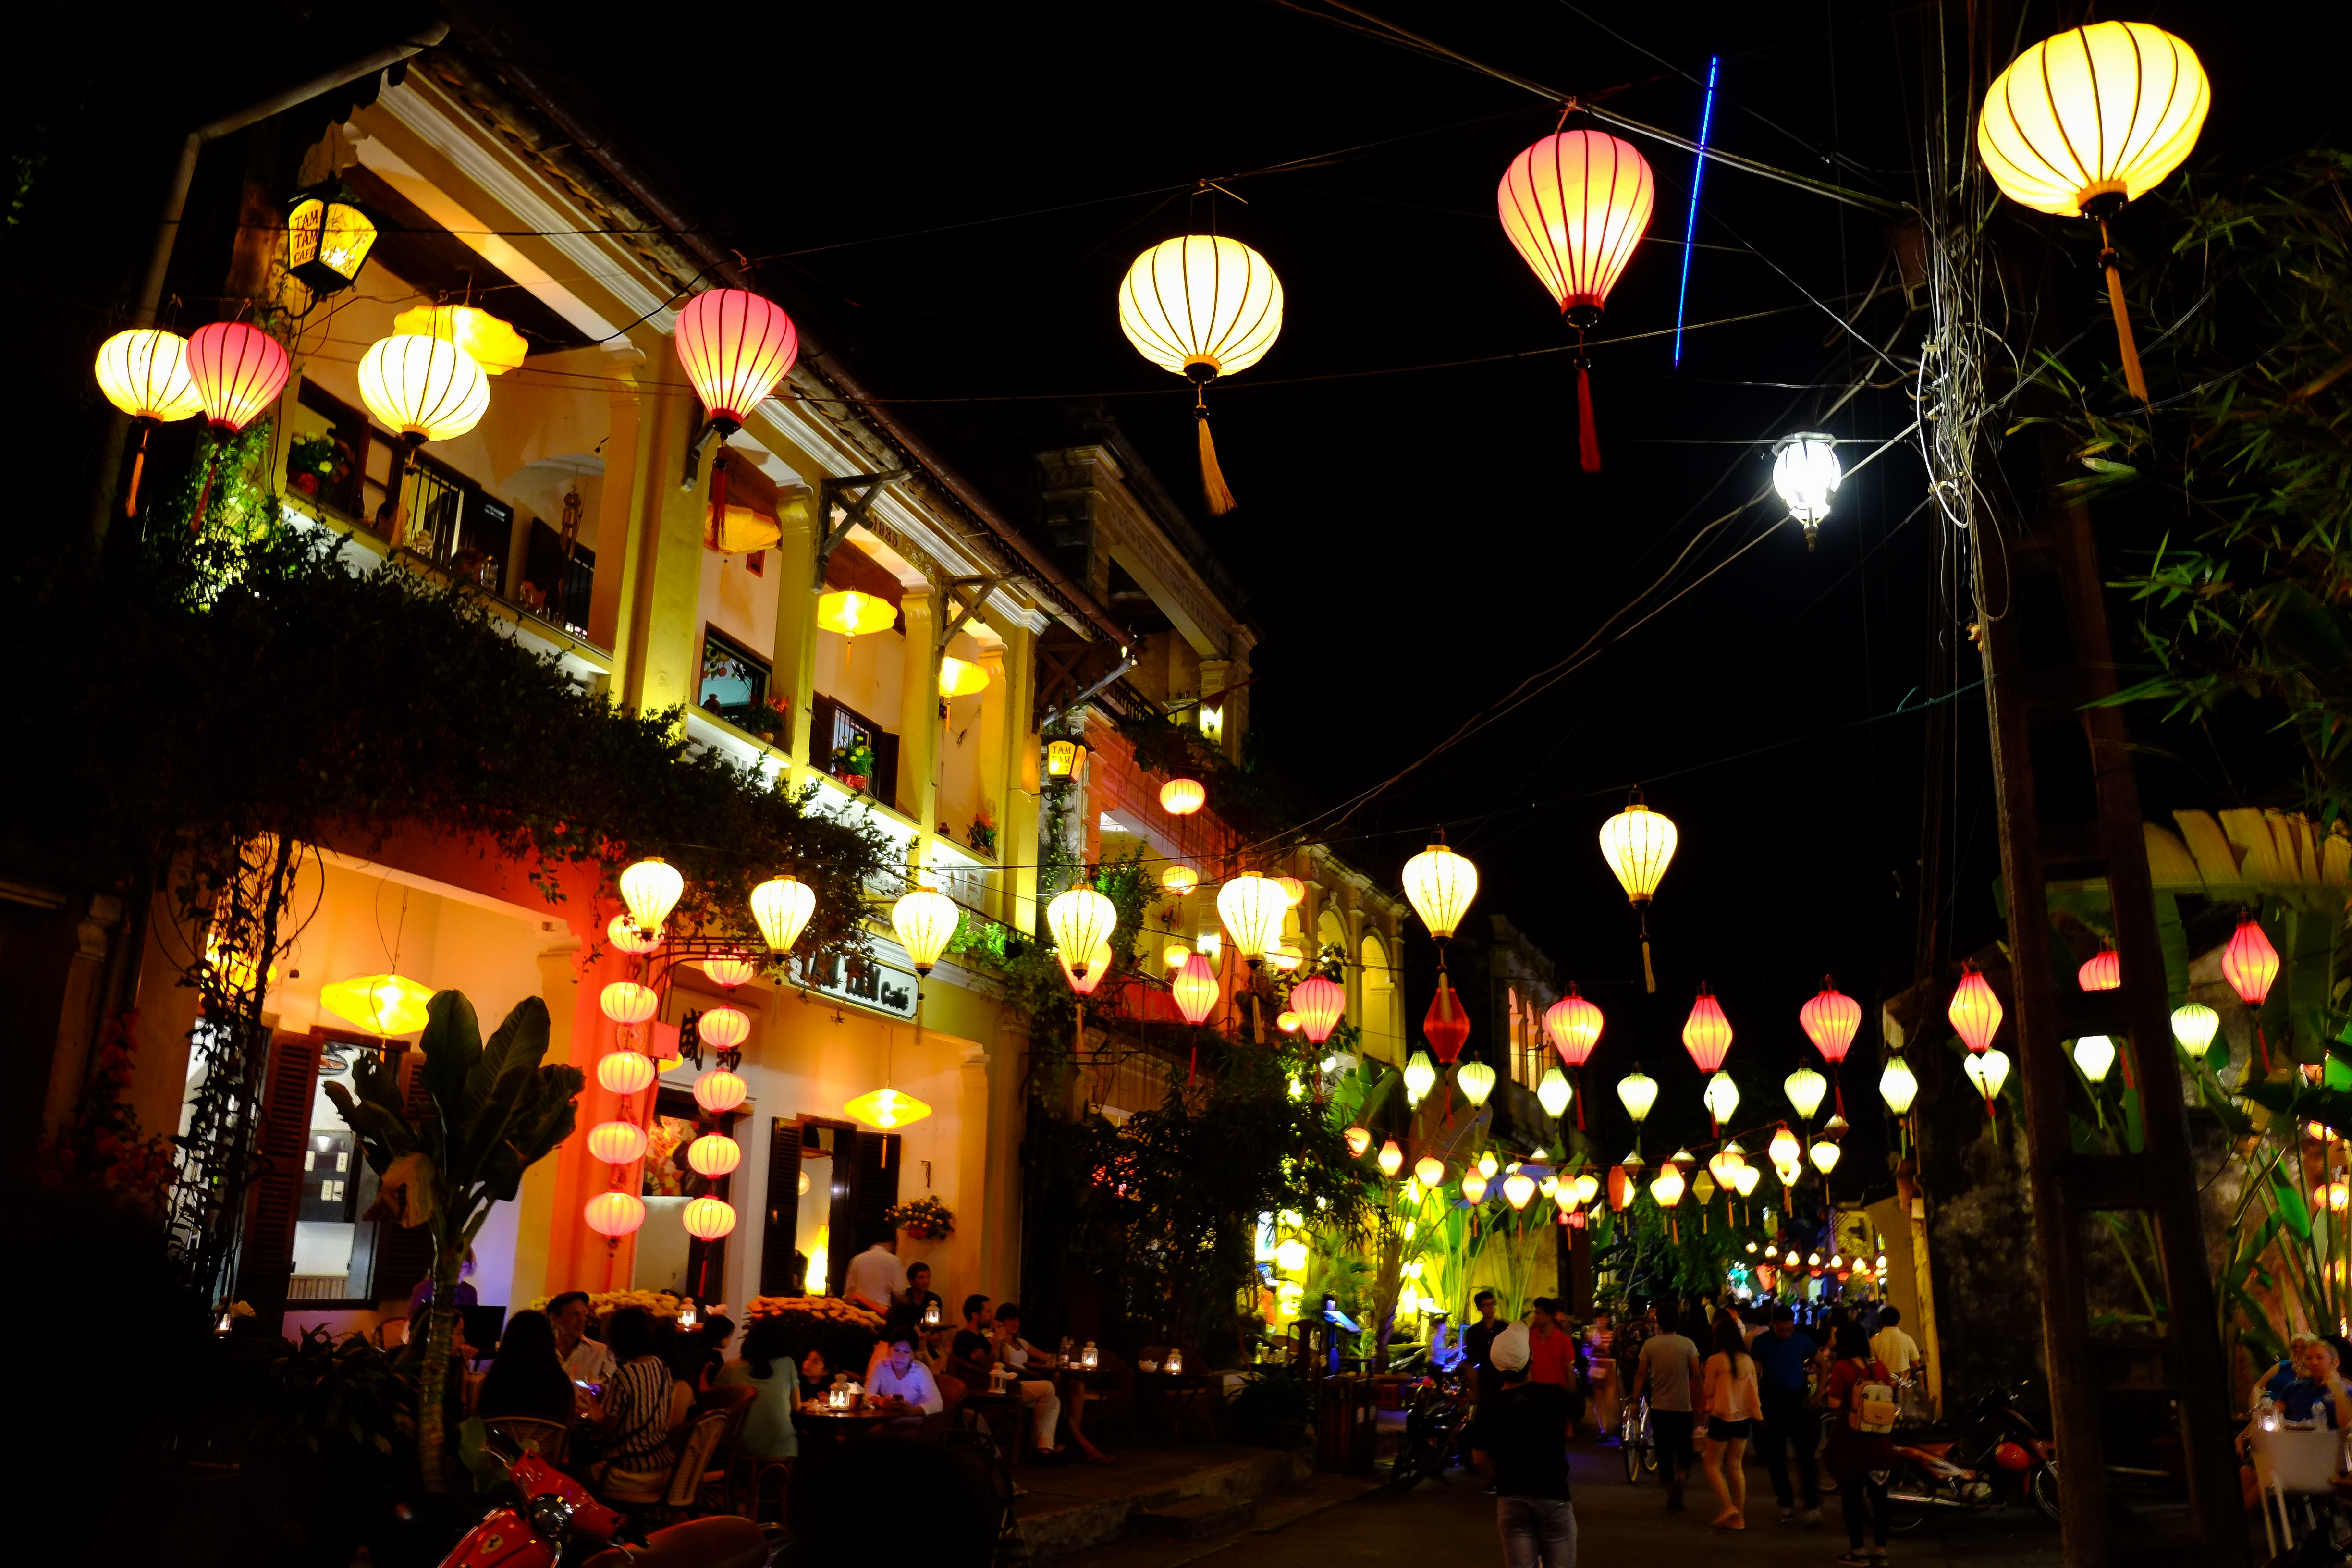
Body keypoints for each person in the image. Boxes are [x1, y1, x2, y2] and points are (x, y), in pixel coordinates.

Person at [1470, 1323, 1576, 1568]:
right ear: (1531, 1360)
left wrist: (1502, 1477)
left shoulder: (1489, 1406)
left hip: (1512, 1497)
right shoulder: (1555, 1397)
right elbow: (1571, 1418)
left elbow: (1479, 1459)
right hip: (1554, 1495)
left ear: (1497, 1367)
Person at [1823, 1320, 1896, 1565]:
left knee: (1852, 1496)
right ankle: (1881, 1551)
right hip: (1879, 1441)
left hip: (1852, 1441)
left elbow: (1834, 1403)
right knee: (1880, 1497)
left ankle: (1858, 1551)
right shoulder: (1880, 1367)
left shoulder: (1843, 1368)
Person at [1750, 1305, 1822, 1525]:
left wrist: (1819, 1393)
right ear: (1773, 1325)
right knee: (1776, 1458)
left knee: (1806, 1455)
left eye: (1789, 1329)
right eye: (1782, 1330)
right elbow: (1756, 1374)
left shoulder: (1801, 1340)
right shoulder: (1761, 1343)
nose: (1786, 1334)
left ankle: (1812, 1505)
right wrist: (1757, 1404)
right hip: (1772, 1402)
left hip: (1798, 1401)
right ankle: (1787, 1504)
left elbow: (1822, 1362)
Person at [594, 1307, 677, 1490]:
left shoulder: (624, 1374)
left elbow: (607, 1429)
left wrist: (591, 1403)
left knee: (572, 1473)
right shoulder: (661, 1366)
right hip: (661, 1462)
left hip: (627, 1467)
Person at [1631, 1299, 1703, 1510]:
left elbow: (1641, 1374)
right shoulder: (1688, 1345)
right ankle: (1681, 1477)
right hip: (1684, 1406)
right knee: (1684, 1448)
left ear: (1659, 1322)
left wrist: (1635, 1400)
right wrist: (1700, 1402)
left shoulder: (1650, 1345)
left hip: (1660, 1406)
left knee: (1663, 1449)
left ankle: (1670, 1487)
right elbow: (1697, 1375)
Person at [1699, 1311, 1763, 1530]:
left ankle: (1728, 1506)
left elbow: (1708, 1392)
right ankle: (1740, 1518)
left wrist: (1706, 1373)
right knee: (1736, 1466)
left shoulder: (1716, 1360)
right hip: (1744, 1418)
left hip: (1722, 1417)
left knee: (1712, 1464)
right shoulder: (1748, 1360)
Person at [715, 1315, 800, 1462]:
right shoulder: (787, 1364)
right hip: (781, 1447)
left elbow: (713, 1403)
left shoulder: (731, 1368)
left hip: (738, 1445)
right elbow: (797, 1406)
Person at [475, 1309, 576, 1426]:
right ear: (549, 1342)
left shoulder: (490, 1384)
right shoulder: (562, 1387)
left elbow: (476, 1426)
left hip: (497, 1438)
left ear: (508, 1342)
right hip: (547, 1439)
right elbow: (568, 1428)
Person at [550, 1290, 616, 1388]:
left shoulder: (601, 1352)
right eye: (575, 1314)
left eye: (584, 1313)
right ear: (556, 1319)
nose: (582, 1320)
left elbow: (610, 1389)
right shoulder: (541, 1351)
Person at [868, 1334, 945, 1415]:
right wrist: (880, 1401)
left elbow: (938, 1404)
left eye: (906, 1352)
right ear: (889, 1350)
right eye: (896, 1350)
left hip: (915, 1420)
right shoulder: (882, 1366)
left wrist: (913, 1411)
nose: (900, 1356)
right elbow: (867, 1395)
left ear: (914, 1353)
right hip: (888, 1417)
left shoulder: (920, 1370)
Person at [843, 1232, 906, 1314]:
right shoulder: (894, 1261)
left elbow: (849, 1290)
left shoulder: (857, 1259)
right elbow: (900, 1292)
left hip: (859, 1309)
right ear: (891, 1243)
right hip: (881, 1309)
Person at [1464, 1289, 1505, 1409]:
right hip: (1484, 1379)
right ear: (1479, 1308)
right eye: (1486, 1305)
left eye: (1492, 1304)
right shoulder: (1473, 1332)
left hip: (1503, 1378)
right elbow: (1471, 1362)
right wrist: (1473, 1388)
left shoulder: (1504, 1328)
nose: (1490, 1308)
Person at [1869, 1305, 1919, 1383]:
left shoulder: (1874, 1340)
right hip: (1904, 1383)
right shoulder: (1907, 1339)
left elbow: (1872, 1364)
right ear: (1899, 1321)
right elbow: (1915, 1363)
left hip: (1884, 1382)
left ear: (1881, 1322)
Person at [901, 1262, 944, 1328]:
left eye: (928, 1277)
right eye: (921, 1278)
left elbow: (937, 1326)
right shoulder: (902, 1298)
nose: (926, 1281)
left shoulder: (935, 1299)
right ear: (911, 1280)